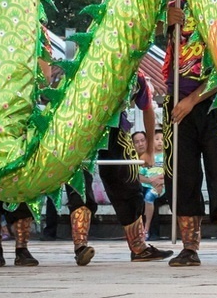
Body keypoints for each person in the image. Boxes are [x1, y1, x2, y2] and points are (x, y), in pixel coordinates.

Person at [163, 0, 217, 267]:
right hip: (176, 105)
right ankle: (189, 248)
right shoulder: (174, 1)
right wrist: (166, 21)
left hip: (216, 106)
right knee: (181, 177)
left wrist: (192, 100)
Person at [62, 76, 173, 266]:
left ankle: (139, 247)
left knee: (127, 182)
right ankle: (80, 246)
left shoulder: (135, 77)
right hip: (79, 126)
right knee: (78, 181)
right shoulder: (85, 68)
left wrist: (149, 151)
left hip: (115, 129)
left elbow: (147, 109)